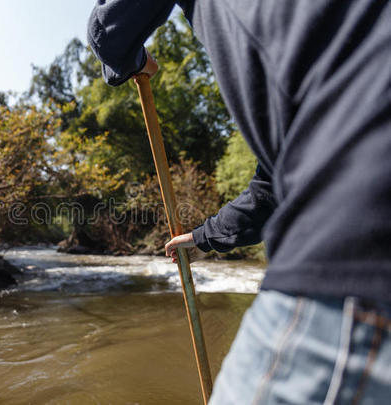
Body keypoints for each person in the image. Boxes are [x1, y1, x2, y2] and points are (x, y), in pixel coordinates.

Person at [87, 1, 391, 403]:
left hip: (356, 248)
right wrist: (201, 237)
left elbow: (108, 33)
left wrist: (135, 61)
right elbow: (271, 190)